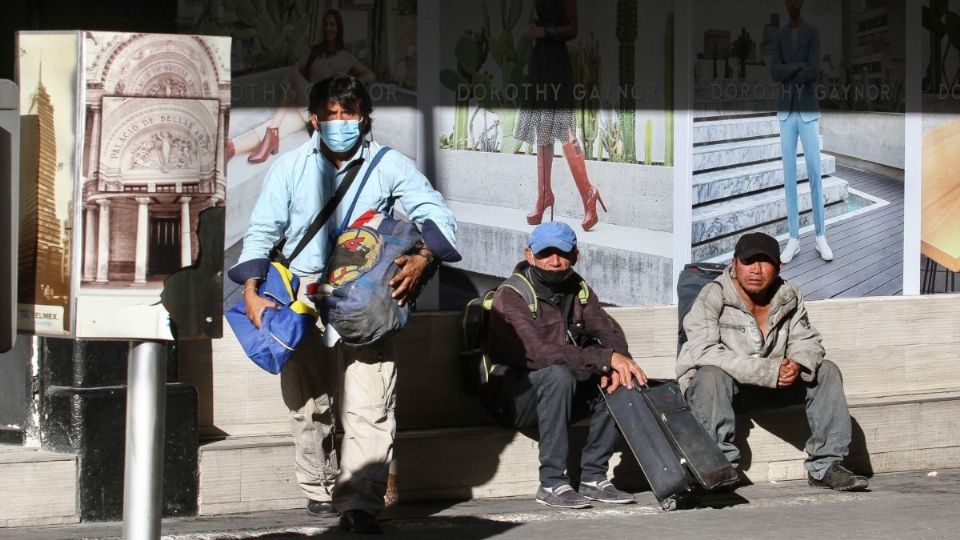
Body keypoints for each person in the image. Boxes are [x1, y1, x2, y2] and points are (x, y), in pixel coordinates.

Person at [228, 75, 459, 533]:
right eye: (330, 115)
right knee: (308, 401)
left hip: (363, 299)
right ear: (313, 119)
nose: (339, 123)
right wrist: (252, 291)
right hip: (301, 299)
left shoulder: (391, 166)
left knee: (370, 400)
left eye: (348, 114)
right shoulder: (290, 168)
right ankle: (317, 484)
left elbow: (436, 213)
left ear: (364, 118)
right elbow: (262, 231)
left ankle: (360, 501)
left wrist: (422, 256)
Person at [677, 232, 868, 491]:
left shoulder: (788, 294)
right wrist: (766, 371)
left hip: (774, 384)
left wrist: (797, 363)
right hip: (723, 390)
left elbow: (808, 340)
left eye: (764, 261)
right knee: (710, 374)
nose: (756, 269)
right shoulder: (713, 295)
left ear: (779, 267)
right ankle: (716, 465)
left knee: (826, 371)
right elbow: (701, 351)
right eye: (748, 261)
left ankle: (826, 467)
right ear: (734, 264)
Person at [482, 221, 647, 508]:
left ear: (575, 256)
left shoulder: (579, 289)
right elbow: (539, 353)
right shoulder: (511, 296)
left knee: (623, 379)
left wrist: (615, 363)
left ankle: (594, 476)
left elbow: (609, 331)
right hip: (516, 397)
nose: (555, 262)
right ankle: (552, 481)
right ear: (530, 254)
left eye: (562, 253)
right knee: (557, 376)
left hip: (567, 388)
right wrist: (602, 358)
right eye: (546, 253)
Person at [228, 8, 377, 164]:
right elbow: (295, 69)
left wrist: (343, 84)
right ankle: (232, 148)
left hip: (321, 107)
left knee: (296, 87)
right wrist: (293, 85)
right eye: (326, 25)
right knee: (279, 123)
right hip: (305, 107)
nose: (328, 28)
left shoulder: (346, 57)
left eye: (332, 25)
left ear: (339, 28)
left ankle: (272, 134)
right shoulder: (316, 52)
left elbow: (370, 75)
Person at [517, 0, 606, 232]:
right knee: (541, 128)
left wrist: (543, 31)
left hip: (556, 62)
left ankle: (589, 194)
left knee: (564, 129)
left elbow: (572, 30)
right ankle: (544, 196)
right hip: (540, 61)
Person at [772, 0, 832, 263]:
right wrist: (798, 66)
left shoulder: (813, 33)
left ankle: (820, 236)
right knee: (789, 175)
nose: (794, 3)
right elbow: (775, 72)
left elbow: (815, 70)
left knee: (815, 171)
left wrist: (792, 70)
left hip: (807, 111)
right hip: (786, 112)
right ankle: (793, 239)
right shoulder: (779, 36)